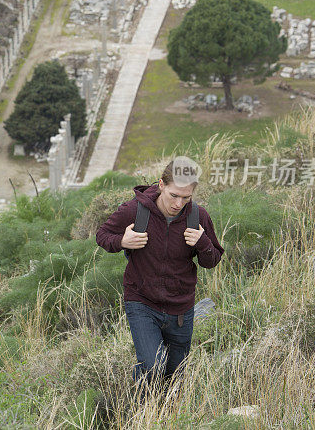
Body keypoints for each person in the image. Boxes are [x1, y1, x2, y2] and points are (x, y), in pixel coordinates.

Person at [95, 158, 223, 396]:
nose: (178, 203)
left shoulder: (198, 216)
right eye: (174, 195)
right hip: (142, 302)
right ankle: (139, 412)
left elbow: (212, 260)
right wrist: (122, 241)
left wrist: (202, 242)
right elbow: (102, 235)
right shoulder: (135, 211)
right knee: (153, 367)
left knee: (175, 379)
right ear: (162, 185)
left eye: (186, 198)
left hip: (181, 309)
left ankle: (164, 416)